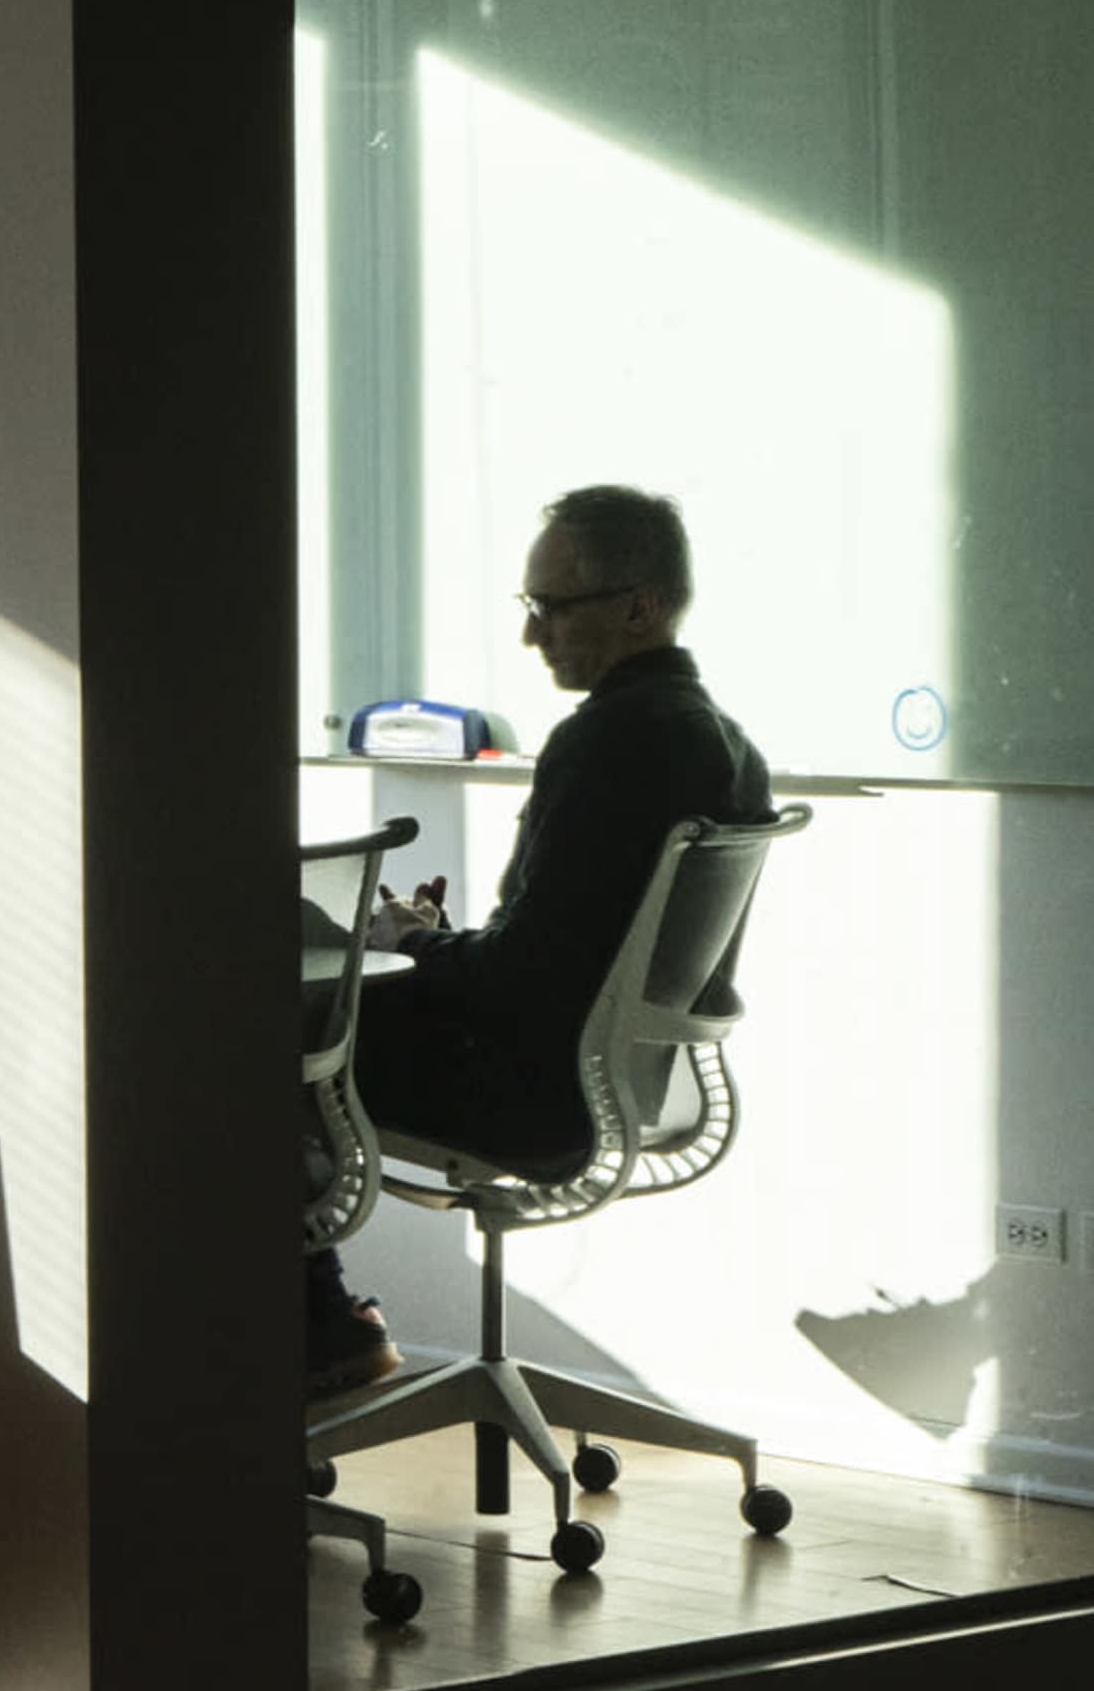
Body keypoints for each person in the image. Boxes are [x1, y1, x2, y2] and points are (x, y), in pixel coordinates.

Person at [307, 485, 775, 1397]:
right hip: (609, 1084)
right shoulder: (727, 744)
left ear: (639, 606)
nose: (534, 635)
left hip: (528, 1093)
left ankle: (317, 1328)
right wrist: (436, 942)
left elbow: (527, 981)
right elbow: (578, 953)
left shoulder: (609, 740)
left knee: (265, 1031)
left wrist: (420, 949)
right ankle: (321, 1323)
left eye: (552, 608)